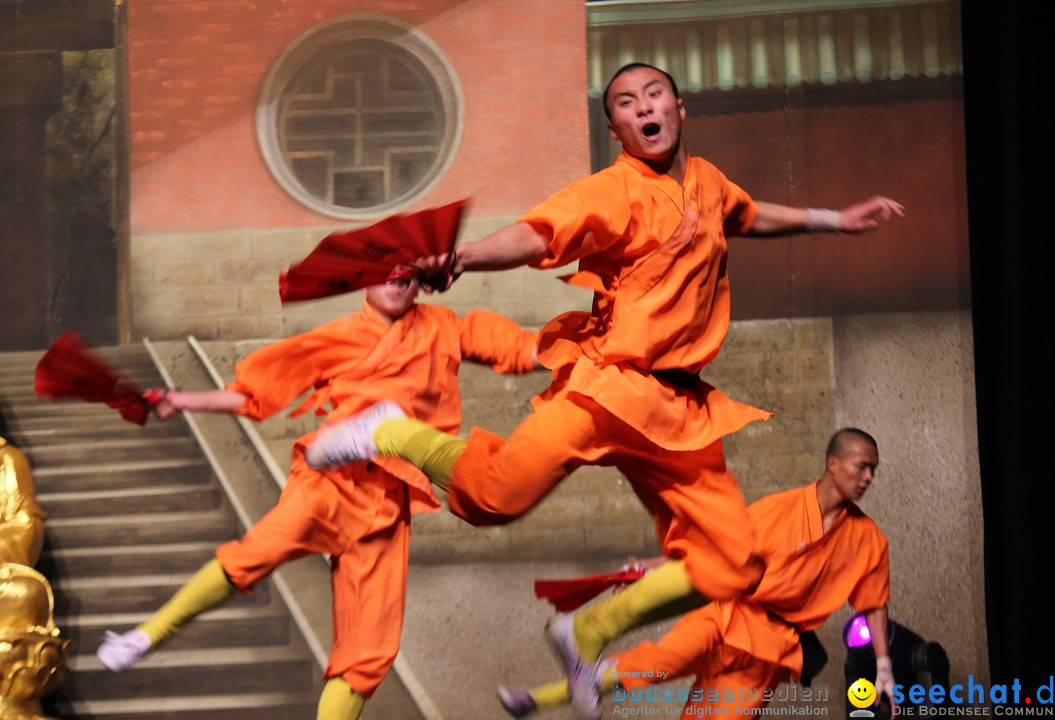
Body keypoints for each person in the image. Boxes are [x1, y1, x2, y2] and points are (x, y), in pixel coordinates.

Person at [304, 63, 904, 719]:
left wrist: (835, 220)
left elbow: (751, 215)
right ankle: (390, 429)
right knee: (494, 499)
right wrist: (467, 255)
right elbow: (538, 233)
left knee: (732, 569)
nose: (643, 108)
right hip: (606, 388)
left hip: (679, 411)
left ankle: (583, 634)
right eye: (625, 102)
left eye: (653, 95)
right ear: (614, 124)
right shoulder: (612, 190)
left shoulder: (708, 183)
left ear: (680, 106)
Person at [95, 274, 540, 720]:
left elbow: (522, 348)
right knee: (258, 551)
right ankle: (146, 637)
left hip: (386, 502)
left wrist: (589, 353)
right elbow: (254, 394)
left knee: (368, 651)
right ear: (365, 282)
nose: (397, 281)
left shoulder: (445, 327)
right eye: (387, 273)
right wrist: (180, 399)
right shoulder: (339, 336)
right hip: (331, 477)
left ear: (421, 284)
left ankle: (386, 434)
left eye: (408, 275)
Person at [497, 428, 894, 719]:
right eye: (863, 467)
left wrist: (883, 665)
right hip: (723, 615)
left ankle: (535, 699)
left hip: (770, 649)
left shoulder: (869, 540)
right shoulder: (780, 509)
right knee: (650, 665)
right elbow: (716, 554)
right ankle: (537, 699)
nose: (869, 478)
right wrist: (652, 568)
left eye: (874, 470)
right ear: (834, 463)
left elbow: (873, 603)